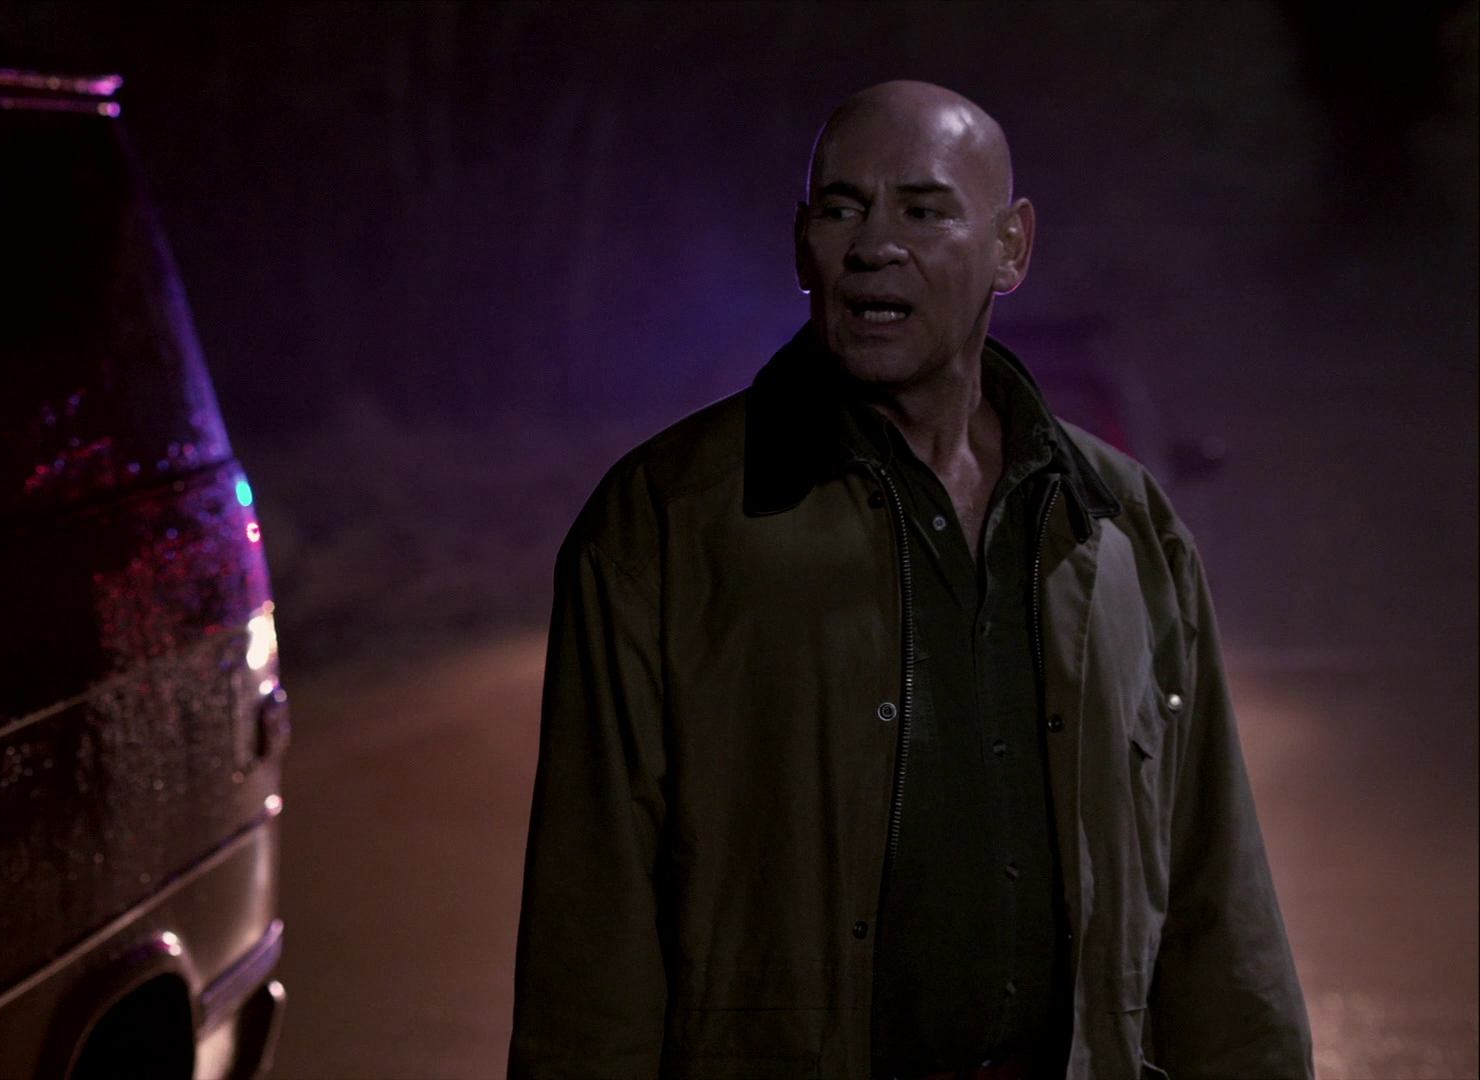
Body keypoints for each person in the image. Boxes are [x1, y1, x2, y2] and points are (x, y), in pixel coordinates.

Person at [508, 81, 1311, 1080]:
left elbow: (1212, 893)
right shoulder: (666, 523)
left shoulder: (1122, 526)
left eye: (924, 211)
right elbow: (590, 937)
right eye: (842, 208)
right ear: (801, 243)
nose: (874, 245)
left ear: (1011, 248)